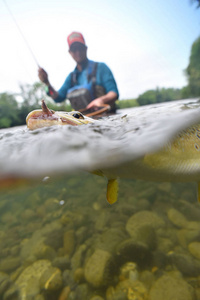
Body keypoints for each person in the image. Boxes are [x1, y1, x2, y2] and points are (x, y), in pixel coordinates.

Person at [38, 32, 119, 112]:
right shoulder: (71, 77)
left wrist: (101, 101)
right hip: (83, 123)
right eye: (74, 49)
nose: (78, 52)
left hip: (106, 118)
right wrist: (47, 83)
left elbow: (114, 93)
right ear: (70, 52)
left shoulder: (101, 68)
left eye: (80, 48)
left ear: (86, 48)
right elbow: (57, 97)